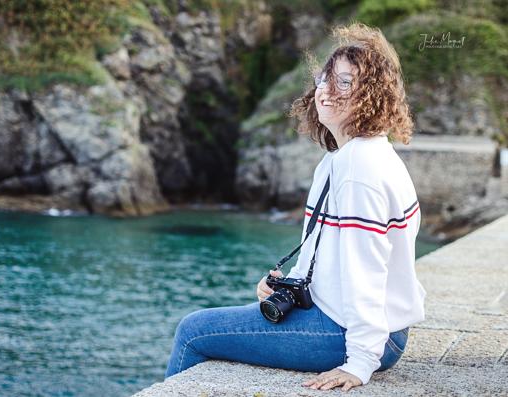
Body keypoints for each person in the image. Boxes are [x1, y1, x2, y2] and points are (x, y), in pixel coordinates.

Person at [164, 22, 426, 392]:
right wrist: (288, 286)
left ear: (373, 95)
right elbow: (332, 253)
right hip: (357, 323)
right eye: (325, 79)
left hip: (357, 335)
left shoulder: (359, 170)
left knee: (193, 331)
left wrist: (361, 363)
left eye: (345, 83)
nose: (327, 91)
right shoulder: (349, 157)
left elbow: (366, 269)